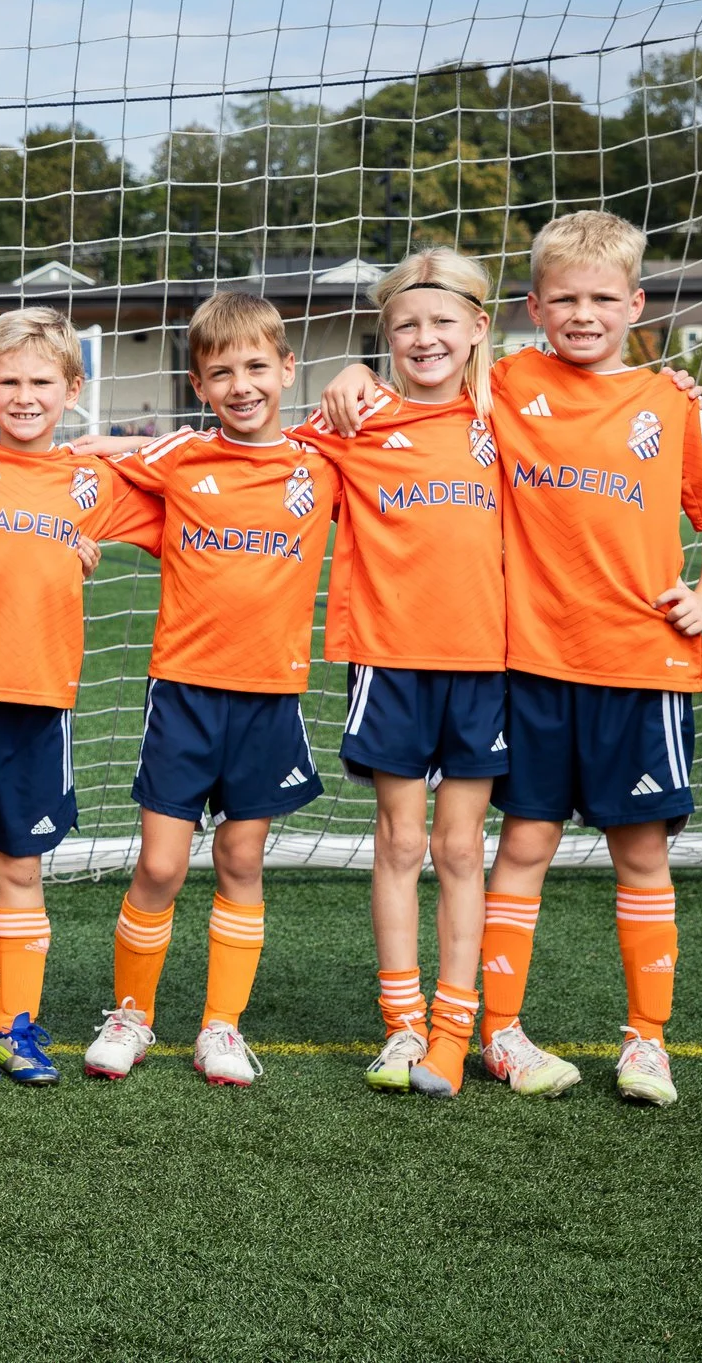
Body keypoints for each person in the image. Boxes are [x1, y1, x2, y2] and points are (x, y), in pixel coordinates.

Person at [323, 210, 702, 1106]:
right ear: (530, 308)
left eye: (602, 298)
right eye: (564, 298)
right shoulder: (508, 385)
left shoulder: (671, 400)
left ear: (636, 302)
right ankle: (496, 1031)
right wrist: (353, 368)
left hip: (644, 665)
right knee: (521, 844)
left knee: (640, 853)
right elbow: (417, 355)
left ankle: (646, 1041)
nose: (583, 313)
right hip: (535, 668)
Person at [66, 292, 337, 1089]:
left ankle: (221, 1025)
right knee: (160, 865)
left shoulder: (322, 462)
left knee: (241, 857)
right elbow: (88, 467)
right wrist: (73, 529)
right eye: (223, 372)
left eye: (258, 366)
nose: (242, 384)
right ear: (199, 382)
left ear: (288, 368)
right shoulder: (181, 458)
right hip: (183, 693)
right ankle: (131, 1014)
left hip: (269, 696)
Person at [0, 308, 165, 1088]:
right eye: (9, 381)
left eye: (42, 381)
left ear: (73, 387)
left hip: (41, 702)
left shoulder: (95, 481)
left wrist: (123, 448)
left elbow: (192, 486)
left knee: (22, 867)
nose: (25, 396)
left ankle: (18, 1028)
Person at [305, 250, 505, 1098]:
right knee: (400, 841)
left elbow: (601, 389)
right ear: (384, 336)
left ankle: (454, 1032)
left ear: (478, 330)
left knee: (461, 847)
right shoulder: (358, 418)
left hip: (488, 664)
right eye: (405, 325)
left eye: (442, 322)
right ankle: (401, 1025)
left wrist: (673, 382)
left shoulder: (512, 418)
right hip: (390, 662)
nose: (425, 338)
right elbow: (251, 456)